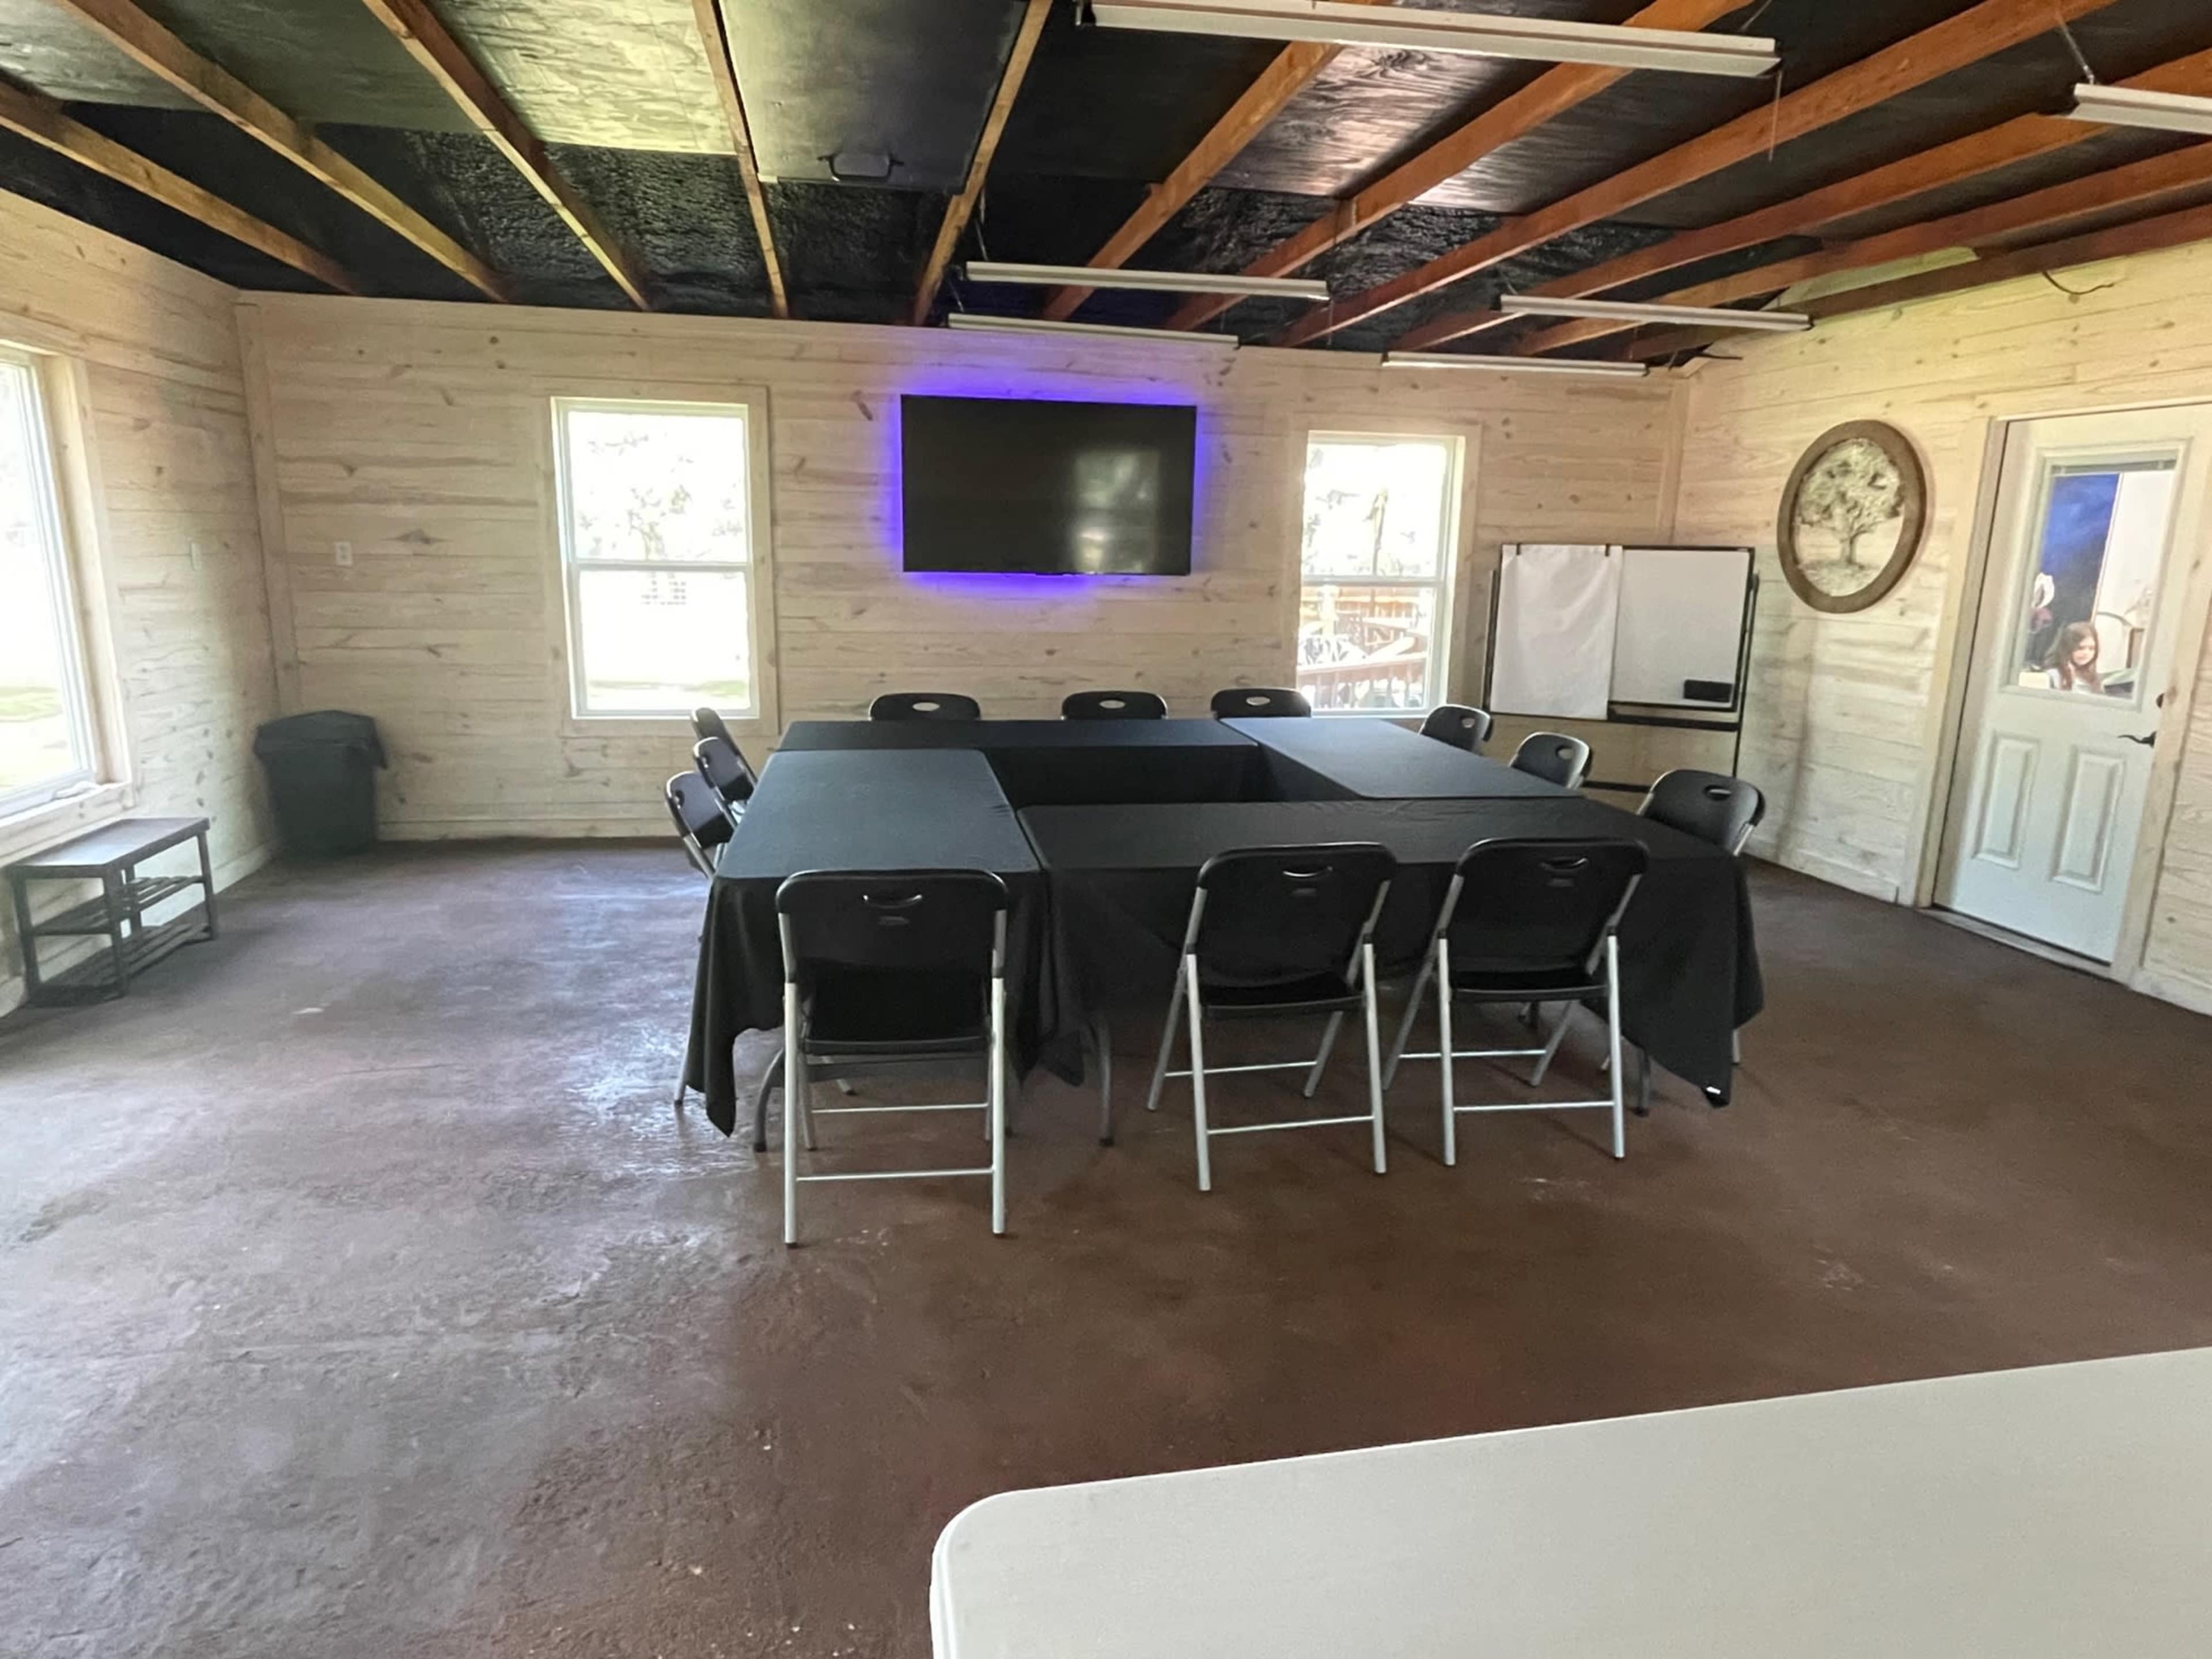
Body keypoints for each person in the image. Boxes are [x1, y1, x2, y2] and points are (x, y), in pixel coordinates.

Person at [2043, 620, 2104, 694]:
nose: (2086, 653)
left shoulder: (2095, 678)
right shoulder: (2053, 675)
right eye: (2080, 648)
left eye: (2091, 649)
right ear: (2068, 648)